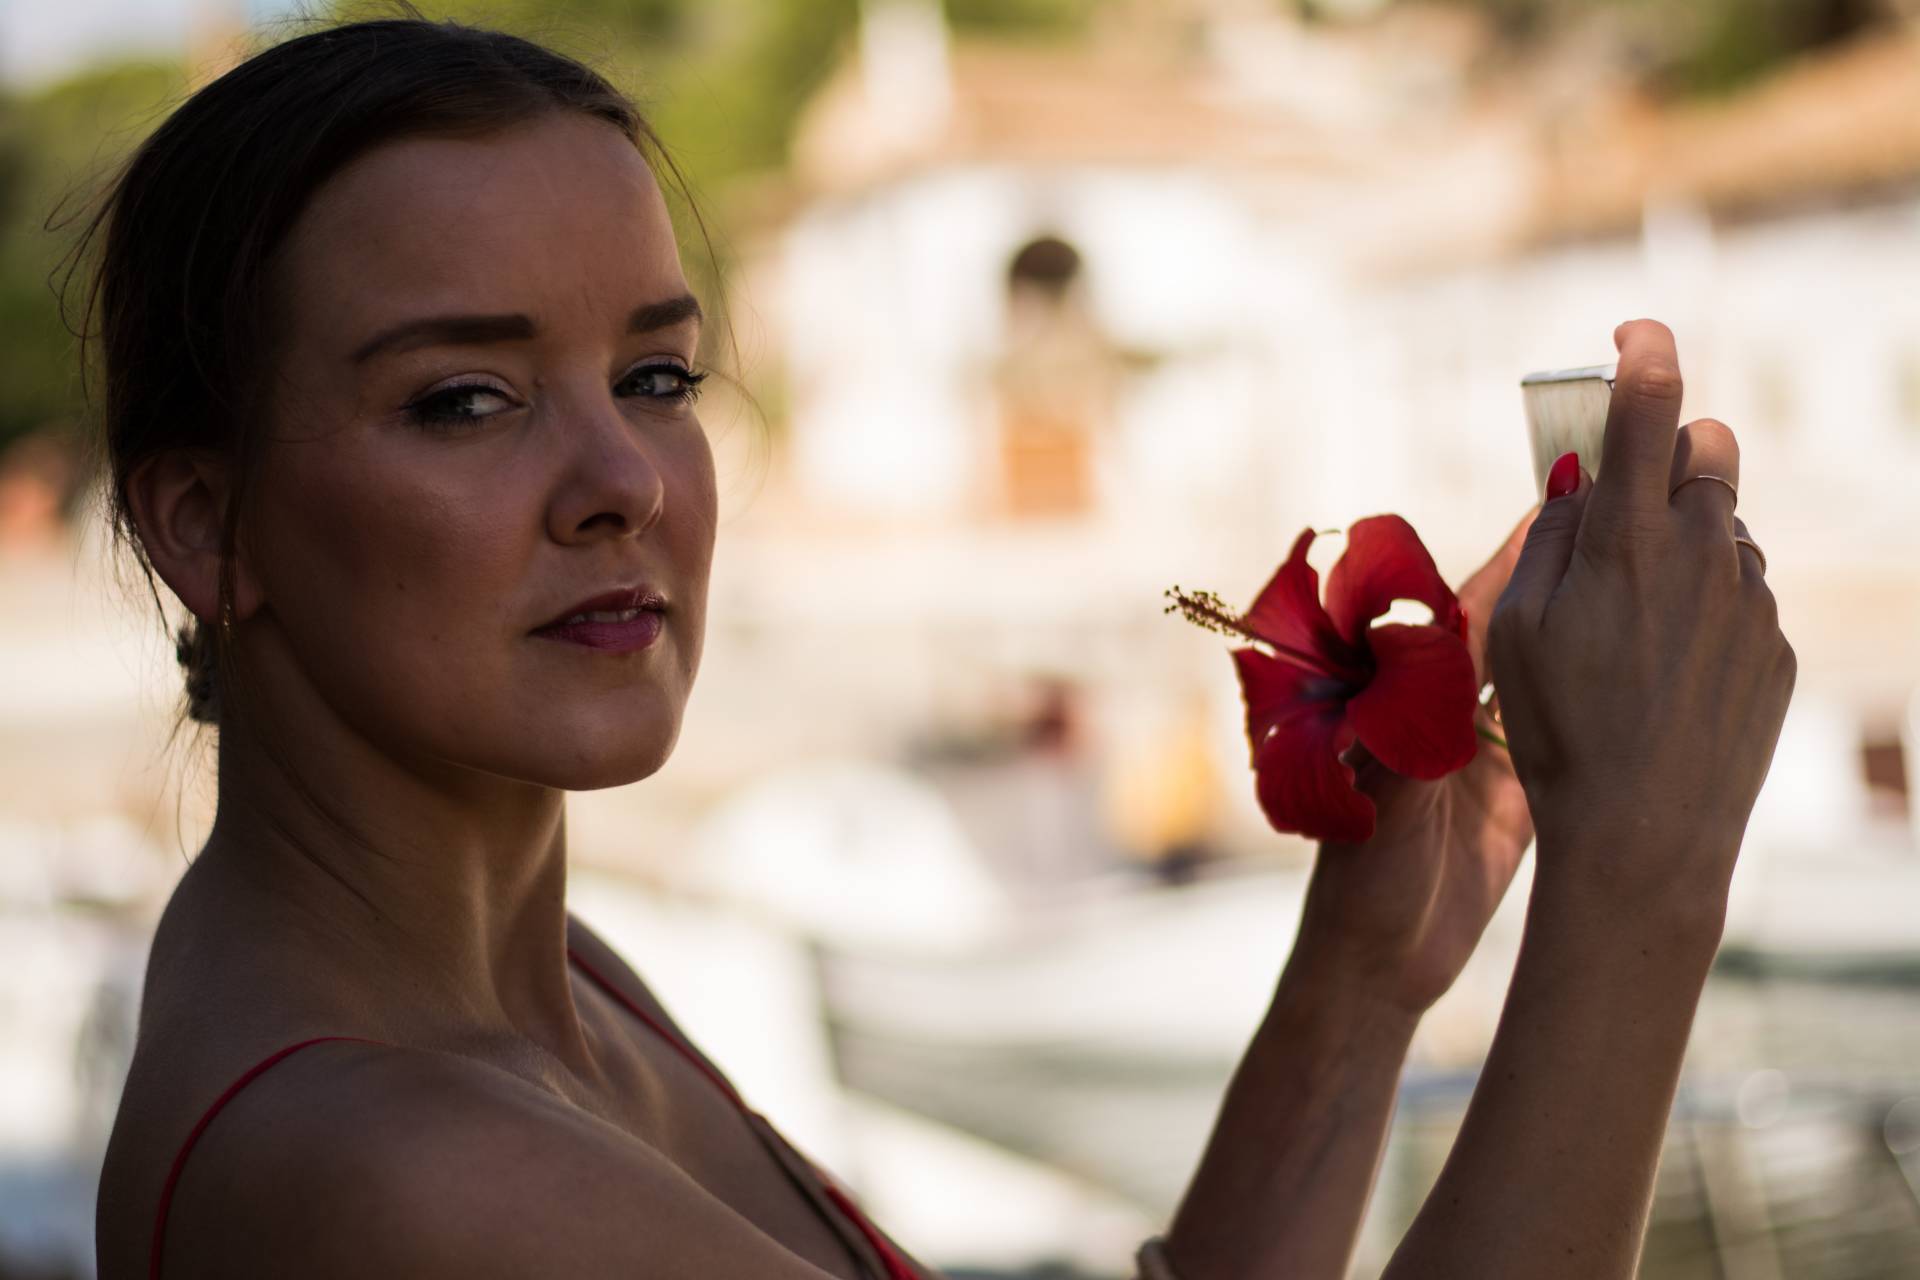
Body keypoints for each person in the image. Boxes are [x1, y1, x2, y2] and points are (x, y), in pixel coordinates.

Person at [80, 15, 1794, 1280]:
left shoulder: (555, 989)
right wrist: (1642, 878)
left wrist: (1354, 989)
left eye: (657, 378)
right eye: (466, 398)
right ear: (205, 524)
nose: (619, 481)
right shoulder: (397, 1169)